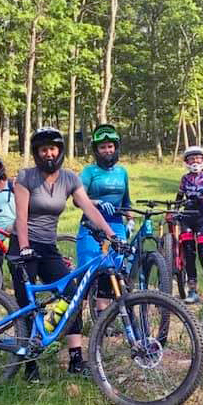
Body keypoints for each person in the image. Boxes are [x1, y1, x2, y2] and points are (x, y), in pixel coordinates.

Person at [10, 127, 120, 382]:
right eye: (43, 149)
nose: (49, 153)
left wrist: (111, 235)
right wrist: (25, 247)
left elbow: (89, 208)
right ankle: (30, 366)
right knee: (26, 304)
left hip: (48, 246)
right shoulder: (26, 177)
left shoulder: (70, 178)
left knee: (72, 294)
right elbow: (22, 216)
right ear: (37, 153)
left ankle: (75, 359)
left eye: (53, 148)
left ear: (59, 150)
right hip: (23, 244)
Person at [76, 124, 131, 317]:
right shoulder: (89, 172)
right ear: (96, 150)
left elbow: (127, 202)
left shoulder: (122, 172)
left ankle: (102, 317)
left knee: (112, 270)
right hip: (92, 225)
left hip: (116, 225)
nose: (107, 150)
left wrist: (130, 220)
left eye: (110, 146)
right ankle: (74, 318)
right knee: (88, 269)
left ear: (116, 147)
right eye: (102, 147)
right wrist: (95, 202)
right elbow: (77, 199)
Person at [176, 146, 203, 303]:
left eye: (197, 158)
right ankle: (192, 290)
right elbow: (179, 196)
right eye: (191, 159)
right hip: (187, 218)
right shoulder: (184, 179)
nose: (194, 161)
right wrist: (173, 210)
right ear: (187, 162)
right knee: (189, 253)